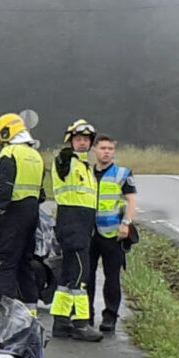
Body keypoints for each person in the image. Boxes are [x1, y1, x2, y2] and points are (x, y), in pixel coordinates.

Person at [49, 120, 104, 341]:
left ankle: (61, 322)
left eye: (86, 140)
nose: (82, 143)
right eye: (78, 139)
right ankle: (81, 324)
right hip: (72, 222)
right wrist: (65, 155)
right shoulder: (67, 161)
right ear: (71, 142)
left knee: (68, 274)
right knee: (81, 274)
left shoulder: (85, 166)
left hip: (81, 223)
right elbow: (62, 165)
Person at [0, 113, 50, 306]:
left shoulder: (9, 153)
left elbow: (4, 189)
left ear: (7, 132)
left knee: (5, 265)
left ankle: (3, 316)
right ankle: (30, 313)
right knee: (24, 265)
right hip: (31, 214)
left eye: (0, 138)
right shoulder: (36, 156)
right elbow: (42, 195)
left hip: (12, 215)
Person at [88, 135, 137, 335]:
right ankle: (86, 315)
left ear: (114, 151)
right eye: (102, 148)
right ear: (95, 151)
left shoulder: (122, 174)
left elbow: (131, 200)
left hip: (113, 233)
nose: (106, 152)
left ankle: (110, 317)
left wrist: (126, 223)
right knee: (87, 277)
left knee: (112, 277)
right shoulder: (86, 173)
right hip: (89, 233)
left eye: (110, 148)